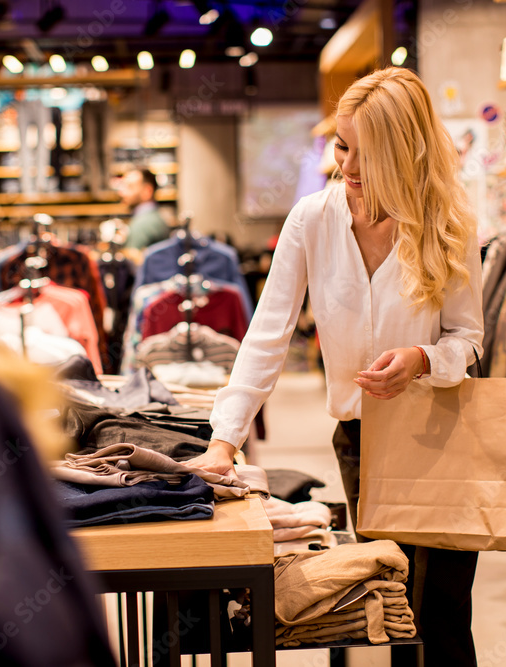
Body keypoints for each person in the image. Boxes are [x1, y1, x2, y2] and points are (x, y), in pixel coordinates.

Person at [188, 67, 485, 666]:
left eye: (365, 153)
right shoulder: (313, 219)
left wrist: (424, 358)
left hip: (444, 435)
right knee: (389, 602)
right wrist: (225, 438)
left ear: (405, 151)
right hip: (364, 440)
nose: (346, 164)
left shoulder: (450, 221)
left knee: (445, 616)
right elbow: (267, 335)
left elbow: (469, 338)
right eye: (342, 145)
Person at [118, 168, 170, 250]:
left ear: (147, 191)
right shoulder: (154, 217)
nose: (121, 193)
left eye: (130, 187)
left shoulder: (143, 224)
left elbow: (132, 260)